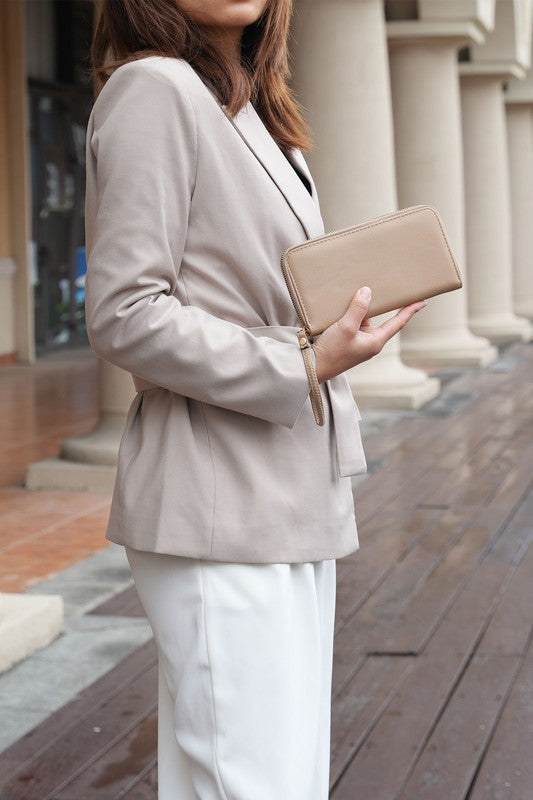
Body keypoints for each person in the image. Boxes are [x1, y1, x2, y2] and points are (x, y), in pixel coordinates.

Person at [85, 1, 427, 797]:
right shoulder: (155, 90)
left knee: (264, 780)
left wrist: (334, 329)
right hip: (217, 493)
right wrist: (302, 358)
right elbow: (123, 313)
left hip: (286, 489)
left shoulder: (253, 114)